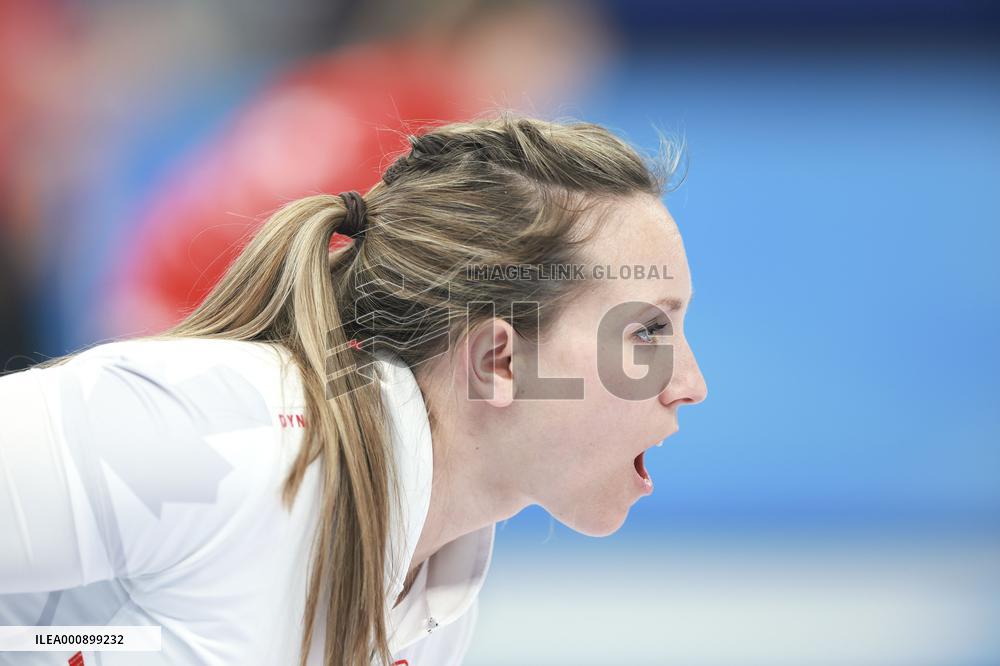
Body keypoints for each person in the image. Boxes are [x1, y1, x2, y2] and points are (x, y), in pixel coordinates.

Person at [0, 112, 708, 666]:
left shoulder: (435, 593)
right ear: (499, 362)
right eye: (647, 331)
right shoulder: (219, 434)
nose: (691, 384)